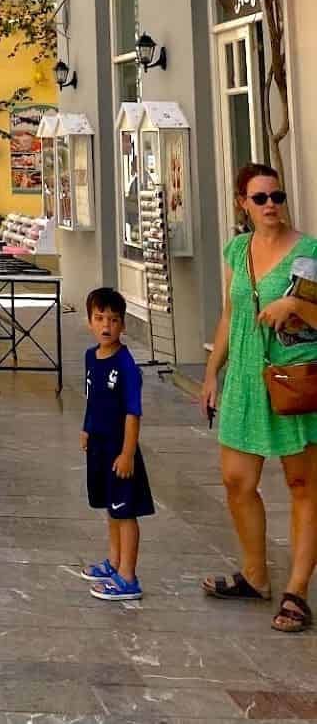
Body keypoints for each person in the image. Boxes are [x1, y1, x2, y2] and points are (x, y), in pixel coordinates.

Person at [201, 163, 317, 633]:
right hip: (246, 375)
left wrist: (293, 304)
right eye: (261, 198)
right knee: (236, 481)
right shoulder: (237, 249)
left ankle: (297, 591)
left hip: (291, 376)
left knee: (302, 486)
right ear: (241, 204)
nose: (272, 206)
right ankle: (254, 574)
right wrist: (212, 373)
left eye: (278, 196)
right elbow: (230, 315)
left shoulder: (307, 252)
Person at [79, 286, 153, 601]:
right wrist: (86, 429)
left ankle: (128, 577)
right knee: (111, 509)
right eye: (100, 318)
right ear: (90, 322)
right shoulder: (90, 357)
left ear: (123, 325)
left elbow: (133, 412)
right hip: (97, 445)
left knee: (125, 512)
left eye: (113, 319)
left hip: (118, 450)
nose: (106, 325)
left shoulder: (125, 365)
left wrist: (127, 453)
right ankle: (113, 561)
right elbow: (91, 399)